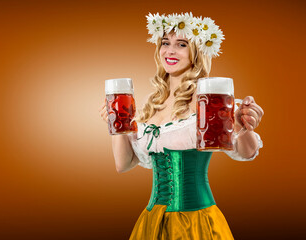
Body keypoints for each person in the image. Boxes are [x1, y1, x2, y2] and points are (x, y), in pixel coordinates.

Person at [99, 12, 264, 240]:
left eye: (181, 44)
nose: (170, 50)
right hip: (152, 221)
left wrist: (244, 127)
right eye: (165, 43)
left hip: (195, 222)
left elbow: (247, 152)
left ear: (196, 52)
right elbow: (123, 163)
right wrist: (117, 123)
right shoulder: (151, 104)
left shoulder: (210, 101)